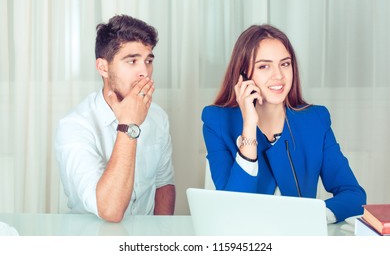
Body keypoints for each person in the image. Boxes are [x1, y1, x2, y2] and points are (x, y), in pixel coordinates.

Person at [201, 24, 366, 223]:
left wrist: (308, 217)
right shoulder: (216, 121)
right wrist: (249, 127)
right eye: (264, 66)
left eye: (285, 64)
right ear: (243, 74)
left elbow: (353, 196)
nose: (278, 75)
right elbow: (233, 209)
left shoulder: (315, 120)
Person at [55, 14, 175, 222]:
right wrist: (129, 125)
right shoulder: (74, 126)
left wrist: (159, 238)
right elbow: (109, 210)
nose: (144, 73)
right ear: (103, 67)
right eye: (132, 61)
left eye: (148, 61)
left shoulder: (158, 117)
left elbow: (164, 184)